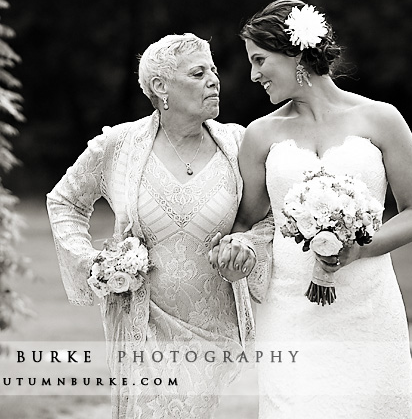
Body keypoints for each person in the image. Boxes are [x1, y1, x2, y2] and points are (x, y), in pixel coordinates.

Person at [211, 0, 412, 418]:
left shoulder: (382, 119)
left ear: (295, 54)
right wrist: (234, 247)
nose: (253, 74)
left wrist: (361, 248)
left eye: (260, 60)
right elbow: (248, 221)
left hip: (366, 306)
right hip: (289, 308)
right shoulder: (261, 135)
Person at [47, 33, 262, 418]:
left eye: (212, 70)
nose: (215, 80)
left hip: (215, 330)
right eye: (198, 73)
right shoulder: (118, 145)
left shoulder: (239, 144)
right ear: (160, 86)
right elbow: (64, 201)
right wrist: (93, 264)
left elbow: (267, 218)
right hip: (141, 324)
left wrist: (245, 246)